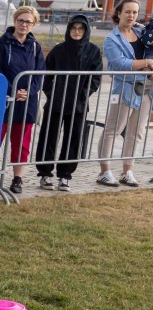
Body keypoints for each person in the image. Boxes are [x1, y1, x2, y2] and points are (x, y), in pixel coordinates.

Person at [34, 15, 102, 191]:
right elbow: (47, 74)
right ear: (68, 29)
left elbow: (95, 77)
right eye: (74, 28)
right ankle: (44, 173)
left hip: (78, 103)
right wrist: (51, 93)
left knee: (73, 139)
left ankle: (65, 176)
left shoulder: (93, 51)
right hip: (56, 101)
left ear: (86, 31)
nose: (77, 31)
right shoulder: (58, 50)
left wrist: (84, 95)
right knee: (49, 136)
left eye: (80, 28)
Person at [0, 6, 45, 194]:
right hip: (3, 100)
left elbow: (39, 74)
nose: (23, 24)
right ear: (14, 21)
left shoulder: (35, 47)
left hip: (26, 102)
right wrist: (12, 90)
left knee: (22, 142)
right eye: (21, 20)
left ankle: (17, 178)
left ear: (33, 24)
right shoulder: (1, 43)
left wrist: (29, 92)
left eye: (28, 21)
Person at [96, 0, 153, 188]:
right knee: (113, 130)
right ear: (118, 13)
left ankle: (127, 171)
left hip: (145, 89)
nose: (131, 15)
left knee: (137, 133)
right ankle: (105, 171)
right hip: (125, 89)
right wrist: (146, 64)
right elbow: (121, 64)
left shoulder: (140, 32)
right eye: (127, 11)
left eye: (135, 12)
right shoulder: (112, 39)